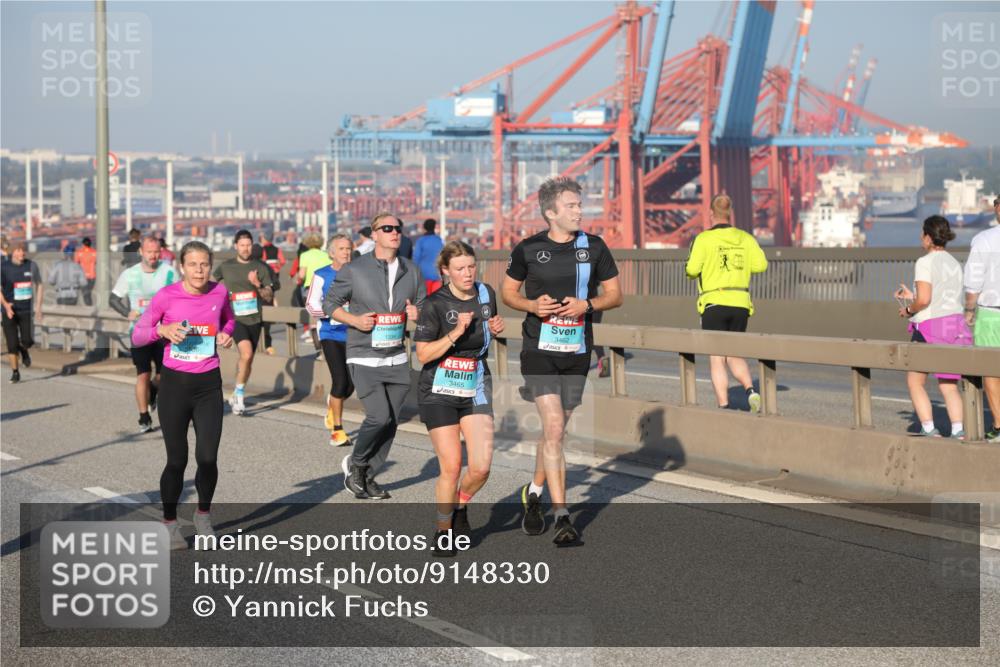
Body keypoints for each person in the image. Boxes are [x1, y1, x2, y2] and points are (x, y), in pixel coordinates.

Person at [502, 176, 623, 544]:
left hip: (576, 351)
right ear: (551, 212)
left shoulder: (594, 247)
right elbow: (508, 292)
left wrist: (588, 304)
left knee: (556, 430)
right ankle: (563, 516)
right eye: (571, 206)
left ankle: (534, 493)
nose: (579, 211)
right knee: (554, 427)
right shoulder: (528, 249)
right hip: (538, 348)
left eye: (579, 205)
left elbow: (615, 295)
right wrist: (531, 305)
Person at [132, 241, 235, 549]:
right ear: (182, 267)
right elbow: (137, 335)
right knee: (177, 461)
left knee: (207, 457)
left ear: (210, 265)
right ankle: (169, 523)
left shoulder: (219, 293)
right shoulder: (167, 296)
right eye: (193, 264)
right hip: (175, 386)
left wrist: (227, 332)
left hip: (208, 385)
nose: (199, 270)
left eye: (204, 264)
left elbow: (229, 319)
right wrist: (162, 331)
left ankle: (203, 514)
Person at [324, 212, 425, 500]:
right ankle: (355, 463)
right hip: (363, 355)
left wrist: (418, 313)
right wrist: (354, 321)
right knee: (379, 417)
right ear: (375, 234)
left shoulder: (411, 270)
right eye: (387, 228)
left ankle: (367, 476)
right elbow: (329, 303)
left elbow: (421, 305)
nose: (395, 232)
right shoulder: (355, 269)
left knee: (391, 422)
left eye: (398, 228)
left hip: (396, 357)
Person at [415, 241, 504, 556]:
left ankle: (460, 506)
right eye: (460, 269)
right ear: (445, 272)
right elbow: (423, 353)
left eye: (471, 266)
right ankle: (442, 531)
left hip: (475, 383)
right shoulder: (434, 304)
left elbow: (489, 329)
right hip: (438, 389)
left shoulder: (485, 294)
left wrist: (496, 327)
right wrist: (454, 333)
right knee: (451, 466)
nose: (468, 274)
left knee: (480, 467)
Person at [685, 194, 766, 411]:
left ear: (711, 214)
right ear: (729, 214)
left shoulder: (703, 239)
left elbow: (691, 271)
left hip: (713, 303)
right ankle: (750, 390)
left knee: (717, 358)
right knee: (734, 353)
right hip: (740, 303)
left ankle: (724, 405)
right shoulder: (746, 238)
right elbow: (761, 266)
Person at [893, 216, 972, 438]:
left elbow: (925, 301)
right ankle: (958, 430)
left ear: (928, 237)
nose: (921, 238)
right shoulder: (954, 263)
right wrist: (913, 296)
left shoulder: (924, 262)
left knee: (915, 381)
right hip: (954, 326)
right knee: (949, 384)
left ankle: (929, 428)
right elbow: (944, 296)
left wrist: (908, 309)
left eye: (922, 234)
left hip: (929, 327)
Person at [110, 236, 178, 433]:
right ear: (141, 252)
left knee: (164, 376)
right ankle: (144, 417)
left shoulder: (169, 272)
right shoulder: (130, 274)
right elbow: (113, 299)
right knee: (143, 375)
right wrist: (126, 313)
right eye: (149, 252)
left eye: (156, 252)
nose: (153, 256)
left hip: (164, 332)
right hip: (139, 333)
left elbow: (181, 295)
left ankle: (154, 390)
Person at [212, 229, 273, 415]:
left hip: (254, 318)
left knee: (248, 358)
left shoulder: (260, 267)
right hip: (234, 318)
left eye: (248, 245)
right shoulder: (226, 267)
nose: (246, 249)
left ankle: (238, 390)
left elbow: (268, 295)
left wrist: (257, 284)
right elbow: (210, 284)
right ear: (235, 246)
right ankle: (238, 396)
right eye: (242, 245)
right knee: (246, 354)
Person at [306, 234, 356, 446]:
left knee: (352, 385)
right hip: (330, 334)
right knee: (340, 381)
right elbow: (311, 304)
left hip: (354, 333)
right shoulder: (322, 274)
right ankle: (337, 431)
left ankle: (332, 407)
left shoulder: (358, 274)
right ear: (332, 253)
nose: (346, 252)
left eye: (348, 248)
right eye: (342, 249)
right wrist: (332, 312)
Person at [963, 197, 1000, 442]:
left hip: (991, 312)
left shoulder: (984, 240)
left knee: (991, 371)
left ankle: (999, 425)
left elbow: (973, 283)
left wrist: (969, 310)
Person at [1, 242, 43, 384]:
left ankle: (24, 350)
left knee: (28, 341)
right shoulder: (4, 267)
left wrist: (38, 306)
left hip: (26, 310)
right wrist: (6, 306)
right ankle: (15, 372)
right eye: (19, 250)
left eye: (23, 250)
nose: (22, 253)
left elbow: (40, 284)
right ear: (13, 252)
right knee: (11, 345)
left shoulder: (31, 265)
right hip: (9, 311)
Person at [251, 238, 281, 355]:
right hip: (266, 302)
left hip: (250, 303)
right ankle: (268, 348)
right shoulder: (267, 267)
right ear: (262, 254)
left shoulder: (246, 267)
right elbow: (277, 285)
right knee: (266, 330)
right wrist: (268, 289)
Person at [413, 218, 445, 295]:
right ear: (434, 227)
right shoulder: (439, 240)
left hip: (423, 275)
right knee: (435, 299)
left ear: (424, 227)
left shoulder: (421, 241)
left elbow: (415, 259)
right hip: (437, 274)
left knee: (424, 300)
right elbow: (443, 256)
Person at [74, 237, 97, 306]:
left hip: (83, 277)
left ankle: (90, 309)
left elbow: (76, 263)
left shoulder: (78, 252)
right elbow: (96, 262)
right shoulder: (94, 252)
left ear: (83, 244)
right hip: (92, 277)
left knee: (86, 295)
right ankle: (90, 309)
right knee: (88, 294)